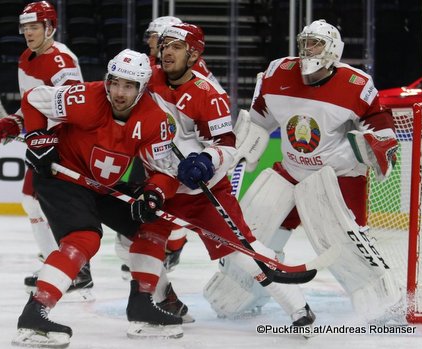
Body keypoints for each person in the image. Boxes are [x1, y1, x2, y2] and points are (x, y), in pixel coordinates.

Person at [124, 22, 316, 339]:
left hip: (203, 191)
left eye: (176, 46)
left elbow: (226, 144)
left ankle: (298, 308)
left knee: (241, 252)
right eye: (164, 45)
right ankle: (164, 305)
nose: (166, 51)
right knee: (143, 245)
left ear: (194, 53)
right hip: (160, 186)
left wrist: (205, 160)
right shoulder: (148, 80)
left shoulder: (208, 94)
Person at [205, 19, 402, 324]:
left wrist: (381, 144)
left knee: (344, 243)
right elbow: (260, 118)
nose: (308, 50)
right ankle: (242, 292)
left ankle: (382, 302)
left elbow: (378, 122)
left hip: (338, 176)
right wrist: (243, 143)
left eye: (316, 43)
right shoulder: (278, 73)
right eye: (305, 42)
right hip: (291, 169)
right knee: (254, 231)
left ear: (333, 50)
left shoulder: (356, 84)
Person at [11, 49, 184, 348]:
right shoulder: (86, 98)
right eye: (114, 82)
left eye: (128, 86)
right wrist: (38, 136)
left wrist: (154, 192)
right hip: (62, 175)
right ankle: (34, 314)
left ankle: (142, 305)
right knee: (84, 238)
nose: (118, 92)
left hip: (102, 186)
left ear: (142, 88)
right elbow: (33, 99)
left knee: (154, 225)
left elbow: (165, 172)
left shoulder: (156, 121)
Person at [0, 1, 93, 300]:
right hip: (42, 141)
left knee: (42, 203)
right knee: (34, 202)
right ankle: (65, 266)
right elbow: (32, 102)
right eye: (25, 27)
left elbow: (72, 105)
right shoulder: (26, 58)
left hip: (63, 142)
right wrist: (15, 120)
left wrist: (50, 137)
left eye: (35, 27)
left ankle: (74, 269)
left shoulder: (61, 60)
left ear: (50, 27)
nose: (29, 33)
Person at [118, 16, 224, 277]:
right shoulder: (153, 69)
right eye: (155, 39)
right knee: (144, 215)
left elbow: (212, 115)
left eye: (157, 37)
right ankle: (157, 257)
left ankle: (171, 249)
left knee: (168, 212)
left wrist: (209, 154)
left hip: (179, 158)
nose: (152, 43)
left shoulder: (196, 75)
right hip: (150, 152)